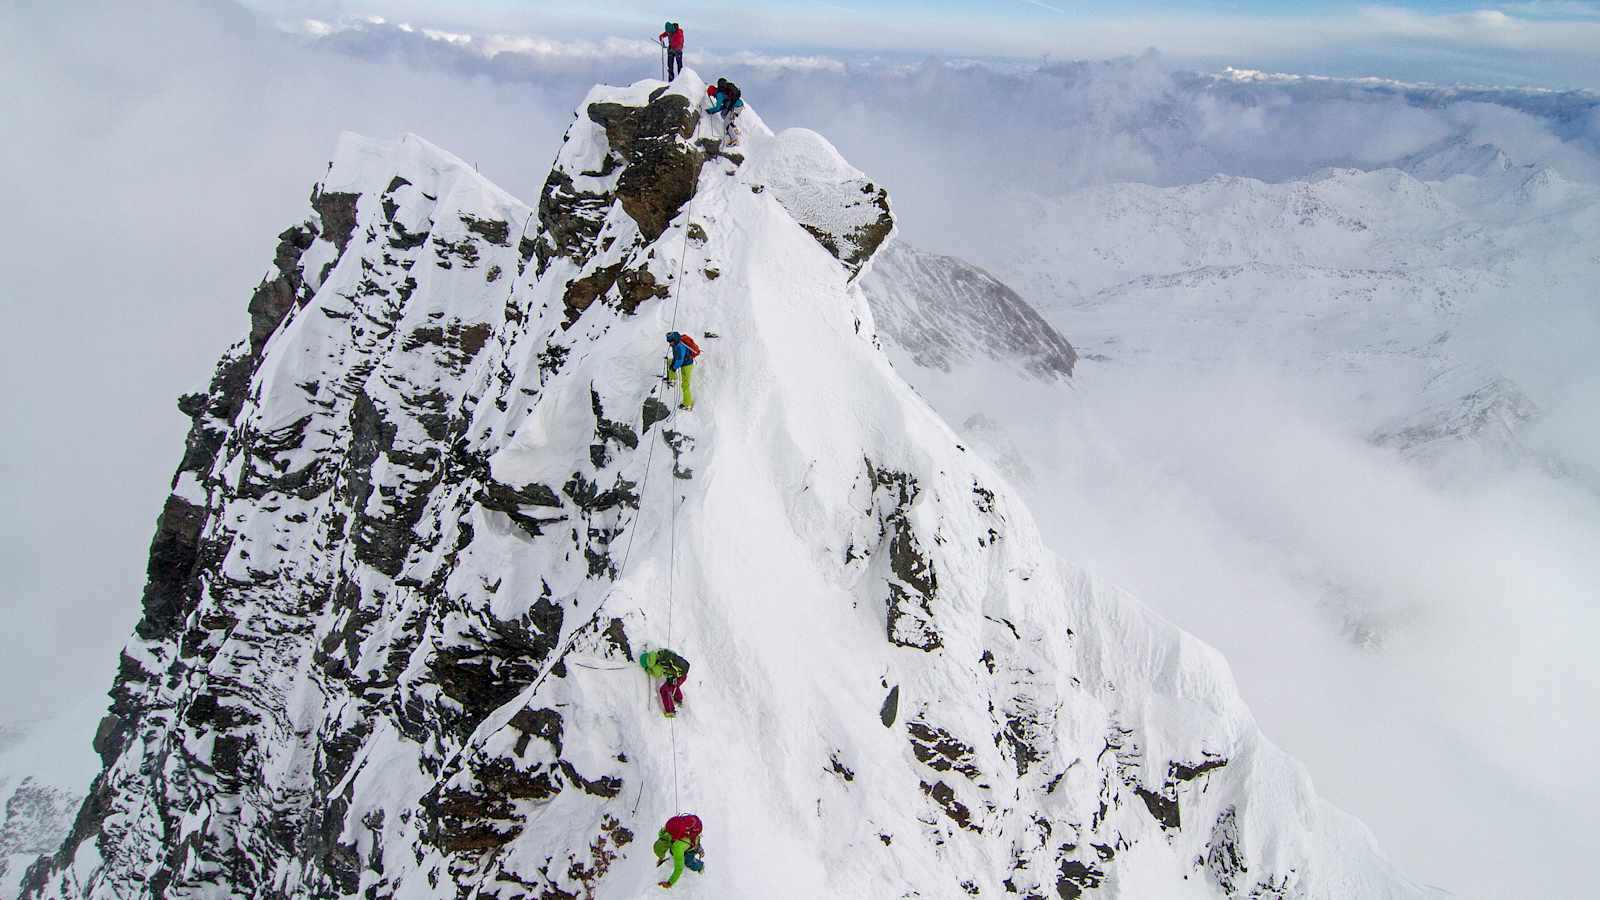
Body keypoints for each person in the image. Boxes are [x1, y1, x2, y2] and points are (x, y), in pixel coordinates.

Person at [653, 813, 706, 889]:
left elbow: (679, 868)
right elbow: (661, 834)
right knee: (675, 851)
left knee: (688, 861)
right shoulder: (669, 827)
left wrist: (670, 883)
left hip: (691, 847)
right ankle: (697, 847)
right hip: (690, 838)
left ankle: (700, 866)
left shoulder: (678, 846)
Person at [639, 648, 692, 717]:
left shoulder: (657, 665)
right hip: (682, 674)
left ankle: (670, 711)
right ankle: (678, 699)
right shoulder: (659, 654)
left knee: (664, 690)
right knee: (673, 685)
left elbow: (657, 674)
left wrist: (648, 670)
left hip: (678, 677)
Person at [665, 332, 699, 411]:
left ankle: (688, 404)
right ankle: (673, 379)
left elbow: (680, 360)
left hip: (687, 365)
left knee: (685, 385)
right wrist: (673, 364)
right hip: (684, 363)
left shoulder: (680, 346)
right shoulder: (675, 345)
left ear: (675, 340)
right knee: (670, 363)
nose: (670, 343)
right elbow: (676, 357)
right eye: (669, 342)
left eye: (671, 341)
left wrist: (674, 367)